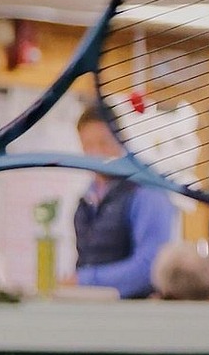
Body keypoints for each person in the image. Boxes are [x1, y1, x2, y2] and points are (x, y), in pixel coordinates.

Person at [72, 105, 178, 298]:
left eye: (103, 143)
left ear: (122, 139)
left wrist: (85, 281)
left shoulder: (147, 190)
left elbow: (150, 267)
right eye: (87, 145)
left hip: (135, 315)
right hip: (91, 312)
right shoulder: (88, 196)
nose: (95, 153)